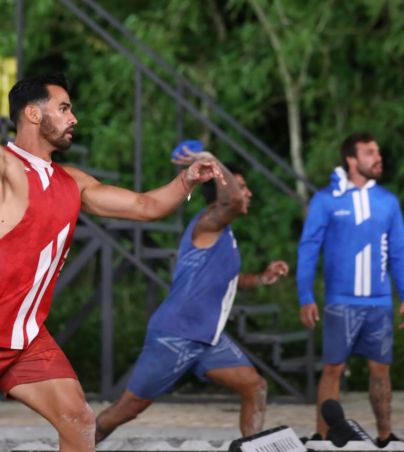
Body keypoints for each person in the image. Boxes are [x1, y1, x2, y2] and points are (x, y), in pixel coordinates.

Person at [0, 73, 225, 452]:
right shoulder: (6, 166)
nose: (74, 118)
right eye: (64, 108)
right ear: (33, 115)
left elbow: (145, 206)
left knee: (78, 420)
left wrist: (186, 180)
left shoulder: (72, 182)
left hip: (24, 339)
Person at [94, 152, 289, 444]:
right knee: (126, 410)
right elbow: (233, 200)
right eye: (240, 186)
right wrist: (212, 159)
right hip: (175, 335)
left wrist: (262, 277)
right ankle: (78, 444)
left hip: (208, 340)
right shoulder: (209, 222)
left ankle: (252, 448)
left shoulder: (225, 234)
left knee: (255, 387)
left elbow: (229, 280)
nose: (246, 192)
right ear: (221, 194)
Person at [297, 132, 404, 447]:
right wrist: (305, 296)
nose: (378, 157)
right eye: (370, 152)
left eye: (378, 151)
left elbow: (398, 252)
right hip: (340, 301)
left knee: (380, 370)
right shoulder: (326, 200)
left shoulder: (388, 201)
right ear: (351, 159)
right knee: (333, 368)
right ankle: (322, 435)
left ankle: (386, 436)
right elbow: (308, 248)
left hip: (380, 302)